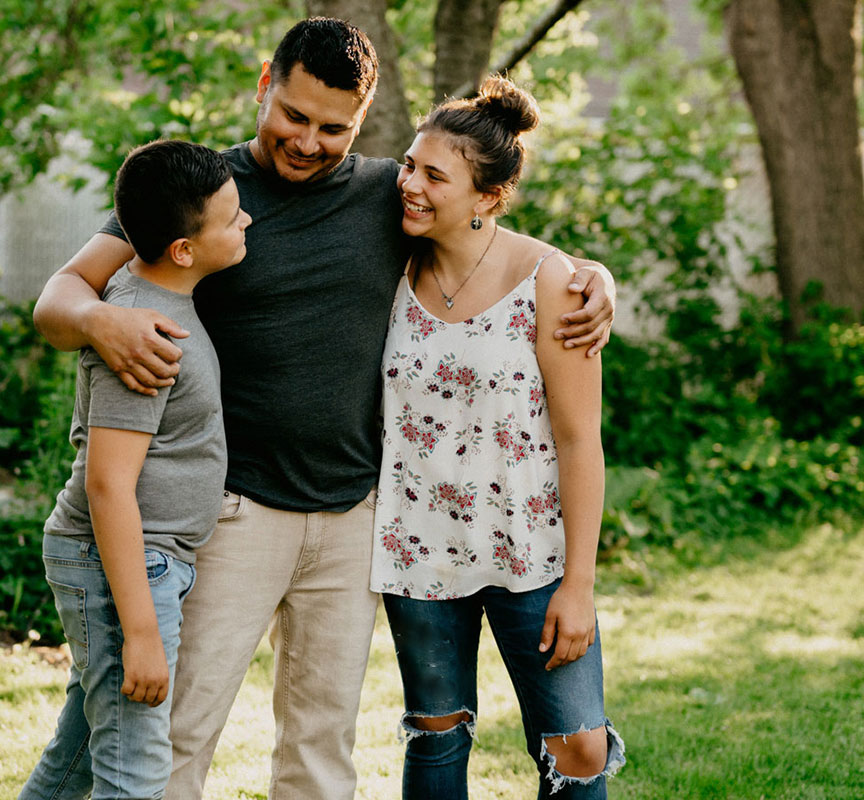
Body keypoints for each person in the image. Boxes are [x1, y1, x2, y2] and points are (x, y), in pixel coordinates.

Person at [31, 17, 615, 800]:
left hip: (354, 522)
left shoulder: (388, 196)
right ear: (265, 84)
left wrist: (592, 275)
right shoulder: (206, 196)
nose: (307, 140)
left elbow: (489, 238)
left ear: (362, 121)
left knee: (320, 750)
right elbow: (58, 297)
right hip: (235, 514)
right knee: (175, 733)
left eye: (332, 127)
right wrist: (102, 319)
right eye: (294, 116)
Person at [372, 76, 624, 799]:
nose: (409, 185)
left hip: (533, 555)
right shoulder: (391, 263)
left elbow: (580, 441)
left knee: (576, 746)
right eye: (410, 165)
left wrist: (579, 583)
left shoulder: (552, 283)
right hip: (418, 550)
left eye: (433, 176)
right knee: (437, 739)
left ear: (487, 197)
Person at [20, 140, 252, 800]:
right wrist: (142, 633)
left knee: (82, 756)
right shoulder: (143, 336)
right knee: (135, 769)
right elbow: (107, 483)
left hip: (142, 560)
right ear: (183, 249)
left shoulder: (154, 300)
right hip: (124, 563)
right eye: (232, 217)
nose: (247, 223)